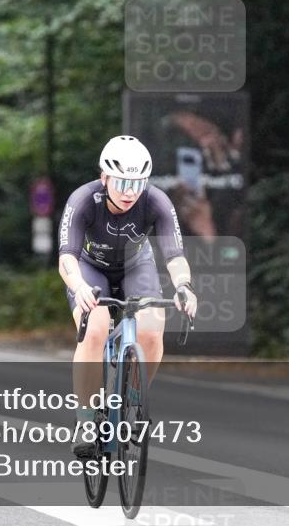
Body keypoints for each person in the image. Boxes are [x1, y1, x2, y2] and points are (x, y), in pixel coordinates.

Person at [58, 135, 197, 459]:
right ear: (104, 177)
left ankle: (135, 400)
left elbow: (174, 255)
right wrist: (78, 287)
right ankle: (85, 420)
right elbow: (67, 257)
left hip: (136, 266)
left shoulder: (157, 201)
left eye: (138, 183)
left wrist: (184, 287)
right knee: (94, 328)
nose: (129, 192)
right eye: (121, 182)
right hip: (89, 270)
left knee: (151, 327)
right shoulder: (83, 199)